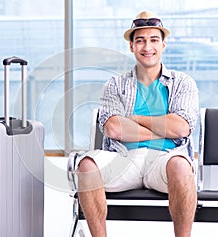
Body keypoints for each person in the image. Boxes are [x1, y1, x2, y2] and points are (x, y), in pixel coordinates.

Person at [76, 10, 199, 237]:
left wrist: (134, 119)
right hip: (124, 158)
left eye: (154, 40)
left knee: (181, 166)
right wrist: (163, 130)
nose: (147, 47)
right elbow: (113, 128)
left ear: (163, 45)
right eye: (140, 41)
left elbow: (181, 128)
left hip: (166, 160)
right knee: (86, 166)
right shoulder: (115, 85)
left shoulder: (183, 83)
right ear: (131, 47)